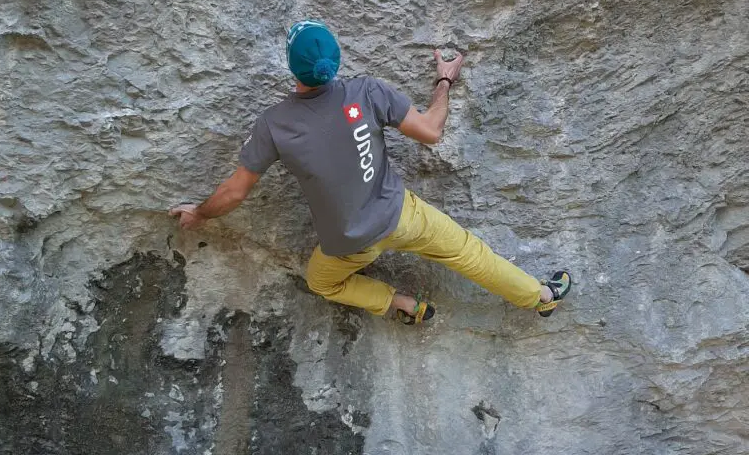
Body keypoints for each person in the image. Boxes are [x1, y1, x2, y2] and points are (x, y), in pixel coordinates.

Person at [171, 21, 571, 324]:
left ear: (292, 68)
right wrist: (444, 80)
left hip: (348, 244)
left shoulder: (275, 124)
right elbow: (431, 131)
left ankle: (403, 304)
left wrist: (201, 213)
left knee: (322, 282)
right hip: (402, 216)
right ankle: (540, 297)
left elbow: (235, 192)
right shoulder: (367, 92)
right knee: (470, 254)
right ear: (336, 60)